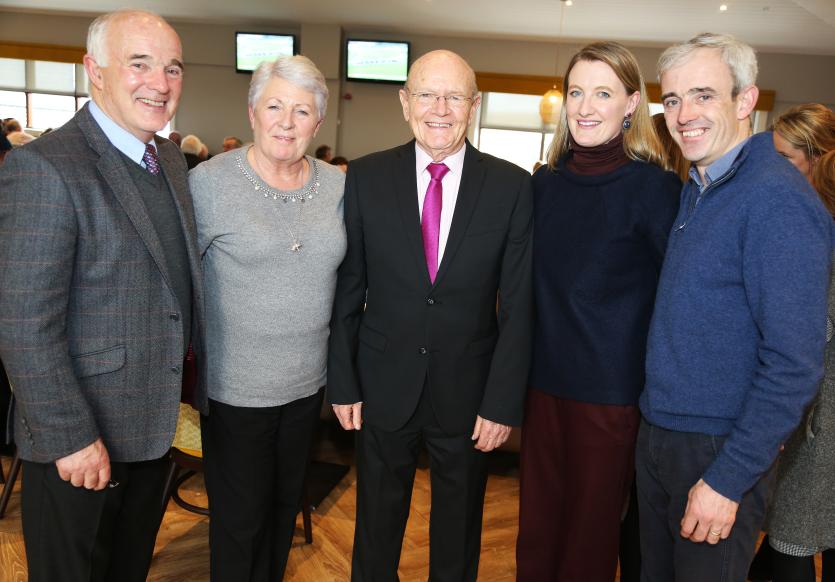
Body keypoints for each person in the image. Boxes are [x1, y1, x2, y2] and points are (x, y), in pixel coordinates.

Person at [0, 9, 205, 582]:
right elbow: (22, 323)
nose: (159, 83)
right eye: (139, 65)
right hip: (80, 444)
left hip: (151, 429)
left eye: (172, 68)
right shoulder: (43, 167)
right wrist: (72, 439)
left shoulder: (166, 158)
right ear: (95, 70)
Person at [327, 49, 533, 581]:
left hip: (469, 395)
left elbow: (518, 306)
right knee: (374, 532)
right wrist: (344, 384)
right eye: (426, 94)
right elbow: (348, 292)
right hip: (382, 386)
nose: (439, 108)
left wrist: (502, 402)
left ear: (474, 104)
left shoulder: (511, 188)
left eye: (454, 96)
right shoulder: (366, 178)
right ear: (404, 102)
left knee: (458, 535)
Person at [636, 33, 832, 582]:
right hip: (663, 436)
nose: (683, 114)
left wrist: (728, 479)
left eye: (703, 95)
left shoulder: (777, 199)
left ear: (746, 102)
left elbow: (795, 365)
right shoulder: (700, 184)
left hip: (719, 449)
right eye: (672, 99)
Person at [516, 41, 681, 582]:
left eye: (603, 93)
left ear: (631, 104)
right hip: (542, 387)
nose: (586, 106)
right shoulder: (544, 184)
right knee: (536, 535)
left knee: (589, 541)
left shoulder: (656, 189)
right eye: (577, 92)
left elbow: (674, 299)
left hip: (610, 398)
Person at [189, 54, 345, 582]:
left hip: (307, 387)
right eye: (274, 106)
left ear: (317, 124)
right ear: (252, 111)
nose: (286, 121)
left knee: (282, 514)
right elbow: (174, 282)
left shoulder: (341, 187)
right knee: (239, 524)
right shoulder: (207, 184)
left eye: (301, 111)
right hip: (236, 391)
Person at [750, 104, 835, 582]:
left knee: (791, 543)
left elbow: (812, 332)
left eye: (786, 159)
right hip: (811, 413)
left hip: (817, 421)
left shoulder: (816, 227)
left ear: (817, 158)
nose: (775, 170)